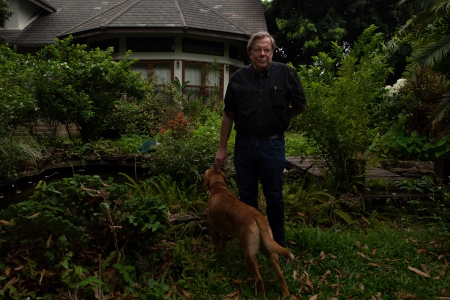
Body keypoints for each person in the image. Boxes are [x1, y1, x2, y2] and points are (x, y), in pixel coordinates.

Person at [213, 31, 307, 247]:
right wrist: (221, 148)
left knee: (274, 196)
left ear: (272, 52)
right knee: (246, 198)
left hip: (272, 145)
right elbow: (228, 115)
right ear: (250, 53)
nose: (262, 54)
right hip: (244, 145)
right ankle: (251, 242)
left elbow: (300, 106)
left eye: (267, 50)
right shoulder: (238, 79)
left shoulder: (285, 74)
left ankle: (277, 243)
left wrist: (280, 117)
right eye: (258, 50)